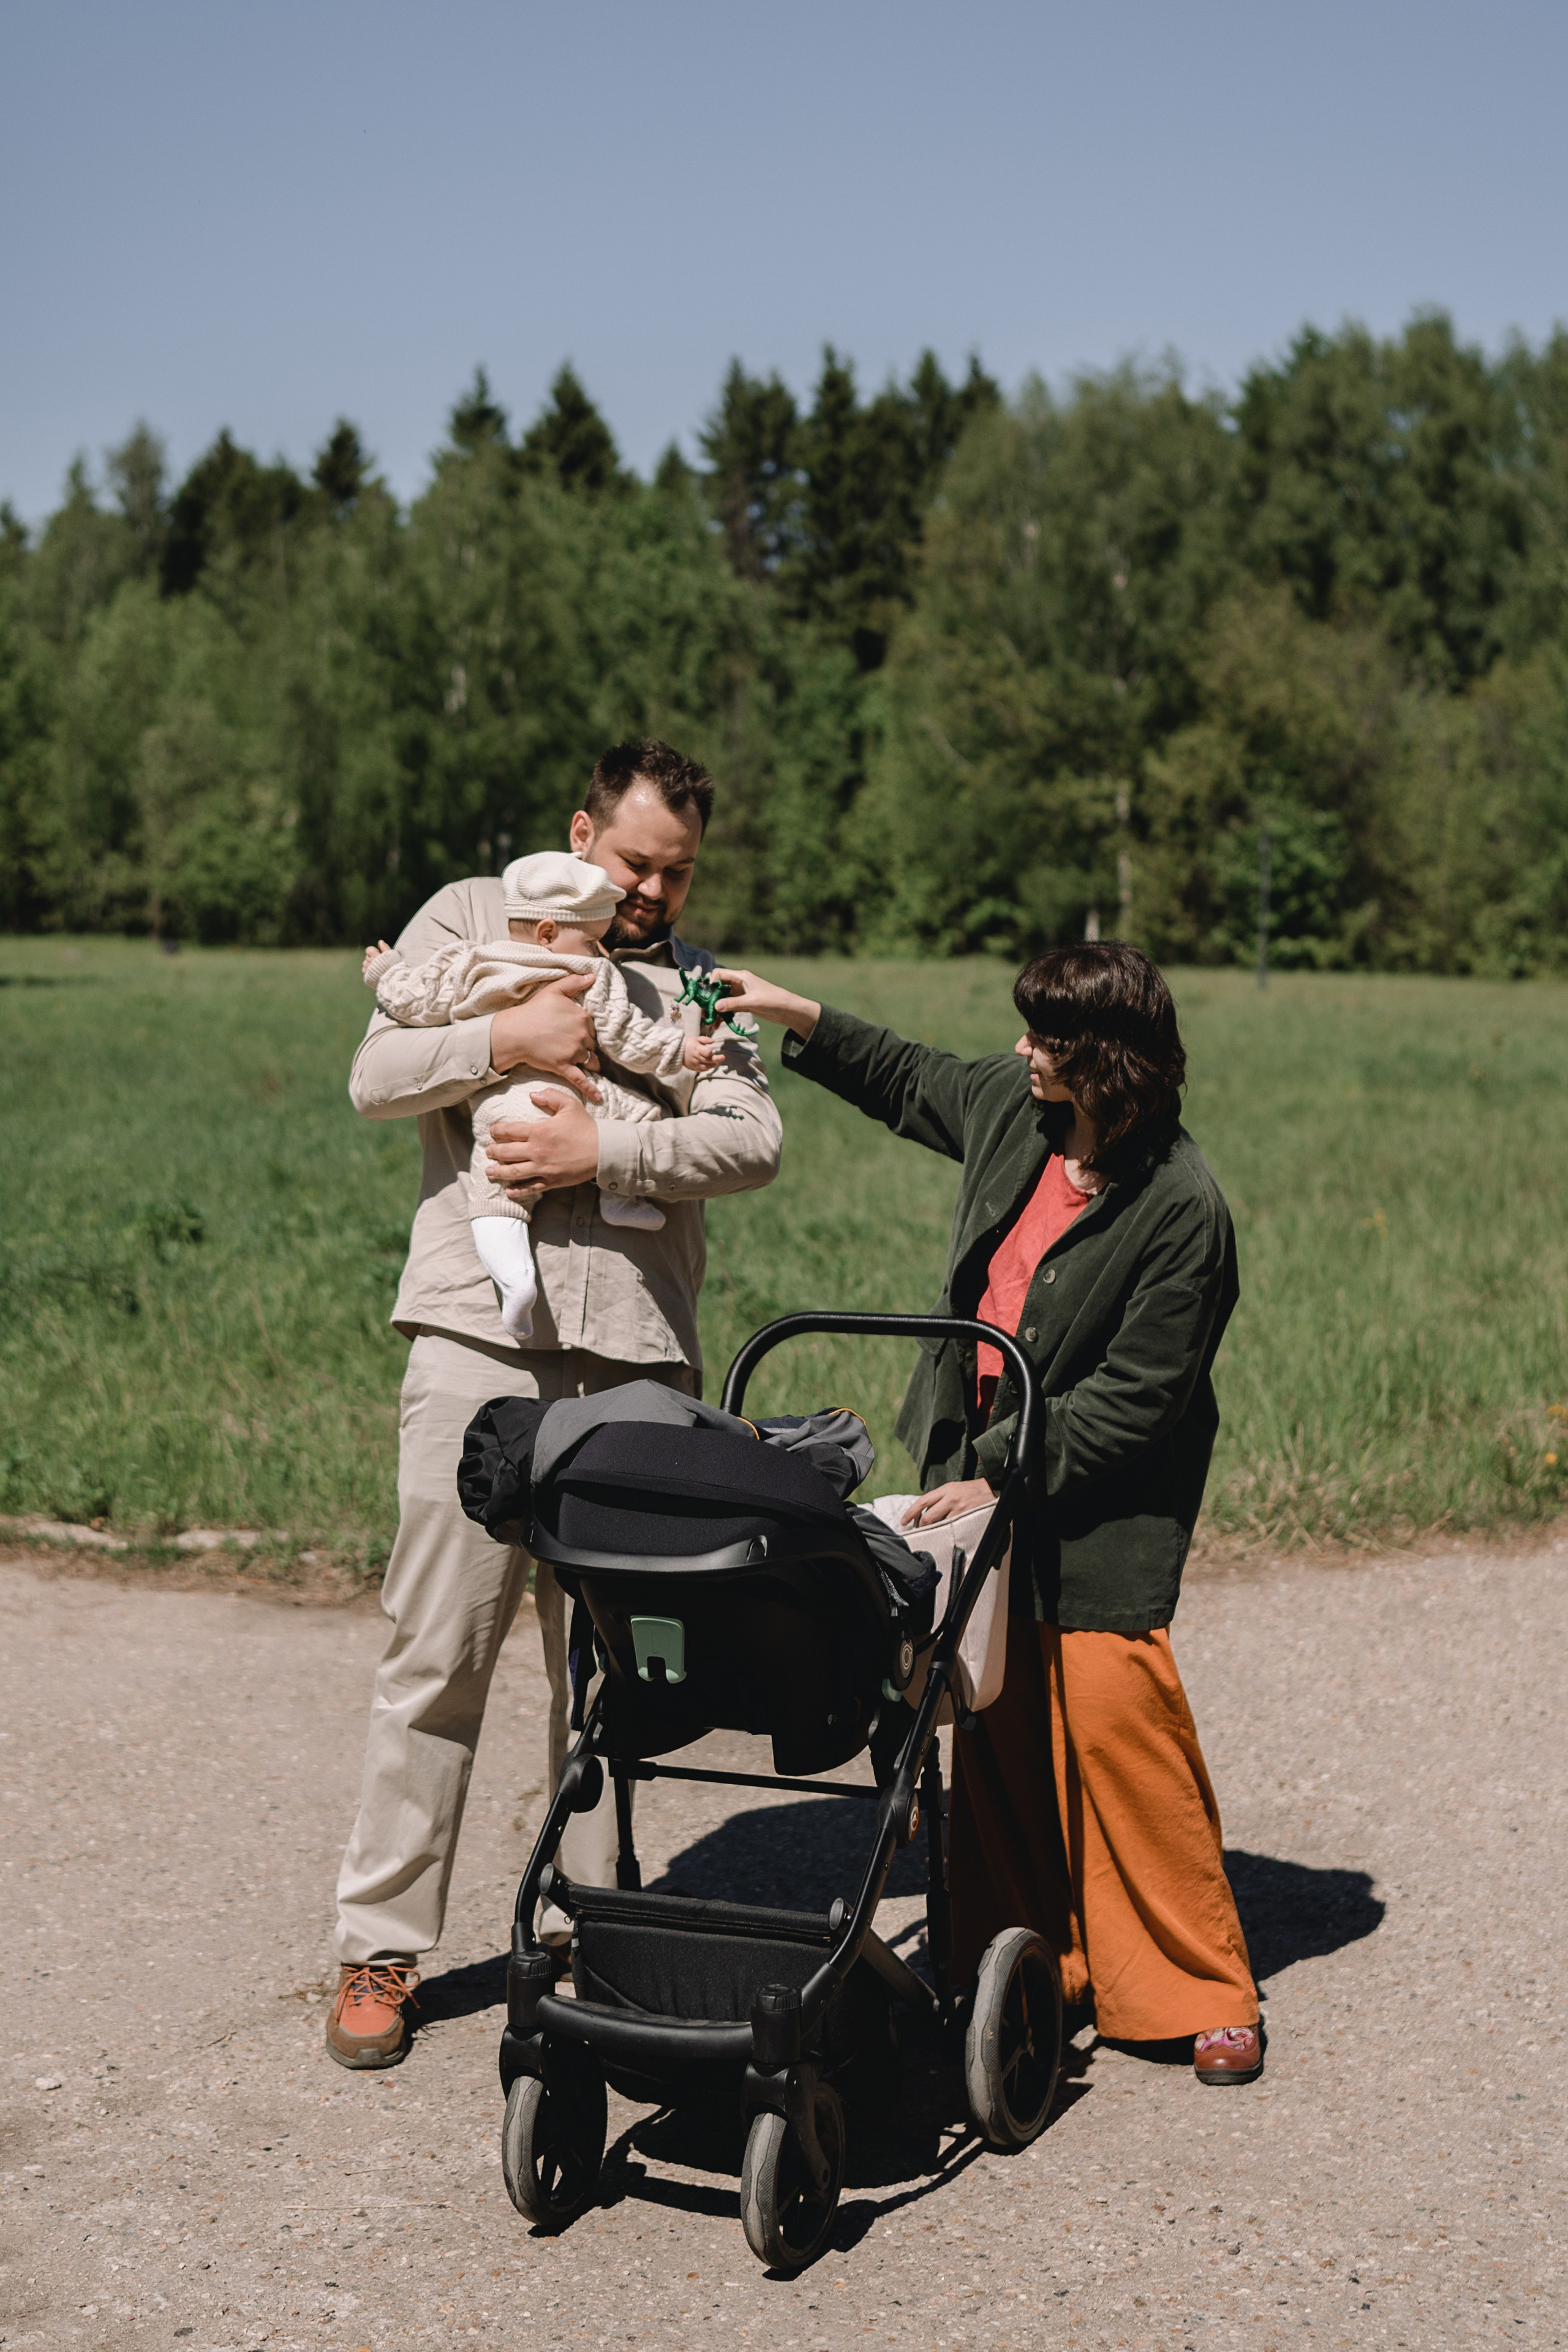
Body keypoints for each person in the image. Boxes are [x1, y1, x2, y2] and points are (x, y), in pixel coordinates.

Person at [712, 941, 1263, 2087]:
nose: (1021, 1053)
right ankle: (1038, 1964)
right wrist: (793, 1012)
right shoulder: (1019, 1115)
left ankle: (1203, 1988)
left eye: (1045, 1040)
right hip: (979, 1476)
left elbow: (1137, 1403)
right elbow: (908, 1075)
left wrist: (1006, 1463)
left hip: (1101, 1508)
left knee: (1117, 1721)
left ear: (1103, 1062)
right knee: (999, 1721)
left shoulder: (1182, 1210)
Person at [326, 741, 782, 2070]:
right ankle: (378, 1948)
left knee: (610, 1666)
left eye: (675, 872)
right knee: (436, 1650)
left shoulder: (698, 985)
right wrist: (502, 1041)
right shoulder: (472, 916)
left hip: (637, 1359)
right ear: (581, 830)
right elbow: (371, 1076)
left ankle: (601, 1926)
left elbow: (750, 1139)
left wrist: (610, 1145)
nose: (650, 890)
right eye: (633, 861)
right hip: (477, 1333)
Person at [362, 850, 723, 1337]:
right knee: (645, 1116)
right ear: (550, 934)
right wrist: (681, 1051)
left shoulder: (478, 961)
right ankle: (618, 1199)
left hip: (498, 1103)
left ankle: (514, 1282)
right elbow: (629, 1039)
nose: (600, 951)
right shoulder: (588, 976)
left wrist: (385, 973)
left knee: (497, 1192)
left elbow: (419, 1000)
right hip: (579, 1098)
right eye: (594, 940)